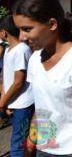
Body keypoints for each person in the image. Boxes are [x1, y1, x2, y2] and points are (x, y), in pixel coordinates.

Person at [12, 0, 72, 156]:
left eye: (27, 29)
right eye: (19, 30)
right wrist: (31, 143)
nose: (22, 37)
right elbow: (41, 109)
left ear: (52, 24)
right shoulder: (34, 60)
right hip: (44, 148)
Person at [0, 15, 34, 156]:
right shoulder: (8, 50)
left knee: (18, 144)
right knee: (19, 140)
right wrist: (5, 101)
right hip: (14, 102)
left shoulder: (21, 50)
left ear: (4, 32)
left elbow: (18, 82)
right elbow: (6, 79)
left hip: (23, 104)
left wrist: (2, 102)